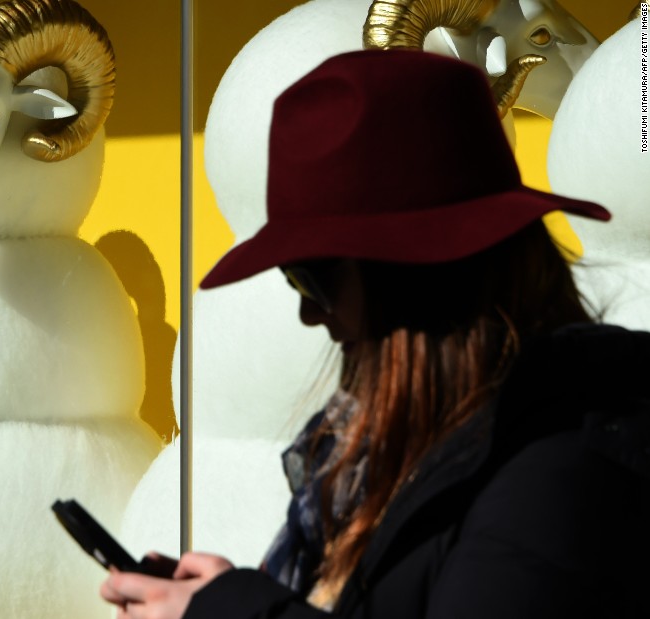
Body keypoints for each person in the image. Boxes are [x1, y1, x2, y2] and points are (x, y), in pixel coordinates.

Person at [100, 49, 650, 618]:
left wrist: (234, 612)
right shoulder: (442, 447)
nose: (309, 315)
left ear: (418, 278)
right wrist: (233, 597)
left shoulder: (557, 479)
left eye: (311, 278)